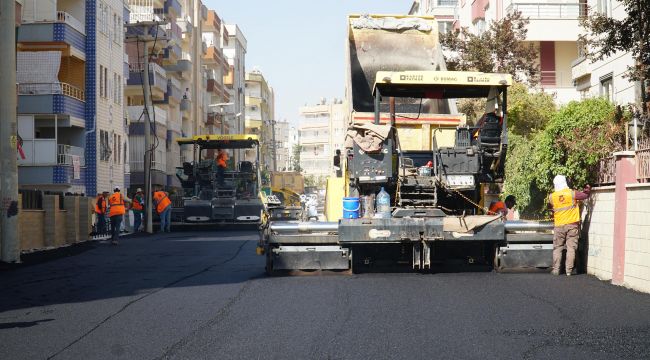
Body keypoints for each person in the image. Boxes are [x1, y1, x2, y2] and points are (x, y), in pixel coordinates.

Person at [549, 175, 591, 276]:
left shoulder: (551, 197)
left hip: (559, 226)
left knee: (557, 247)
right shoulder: (572, 193)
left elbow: (551, 208)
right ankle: (568, 271)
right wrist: (587, 188)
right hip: (572, 225)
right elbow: (585, 195)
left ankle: (556, 270)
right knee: (571, 248)